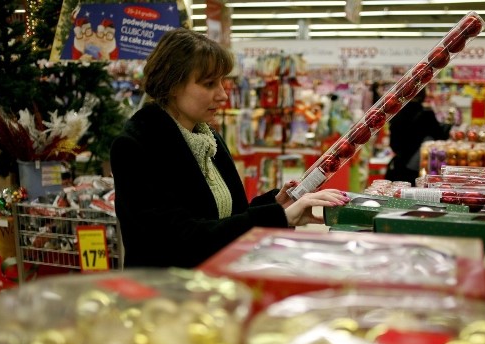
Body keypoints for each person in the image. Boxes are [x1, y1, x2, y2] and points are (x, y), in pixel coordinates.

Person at [110, 28, 349, 269]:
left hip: (212, 286)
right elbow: (177, 240)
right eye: (209, 84)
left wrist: (276, 204)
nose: (223, 95)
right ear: (172, 83)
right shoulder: (136, 147)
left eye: (223, 82)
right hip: (165, 296)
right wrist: (277, 217)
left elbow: (227, 218)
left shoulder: (208, 138)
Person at [385, 88, 449, 185]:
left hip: (400, 167)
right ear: (423, 96)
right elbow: (440, 139)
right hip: (420, 170)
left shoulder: (397, 114)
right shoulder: (427, 115)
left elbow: (393, 144)